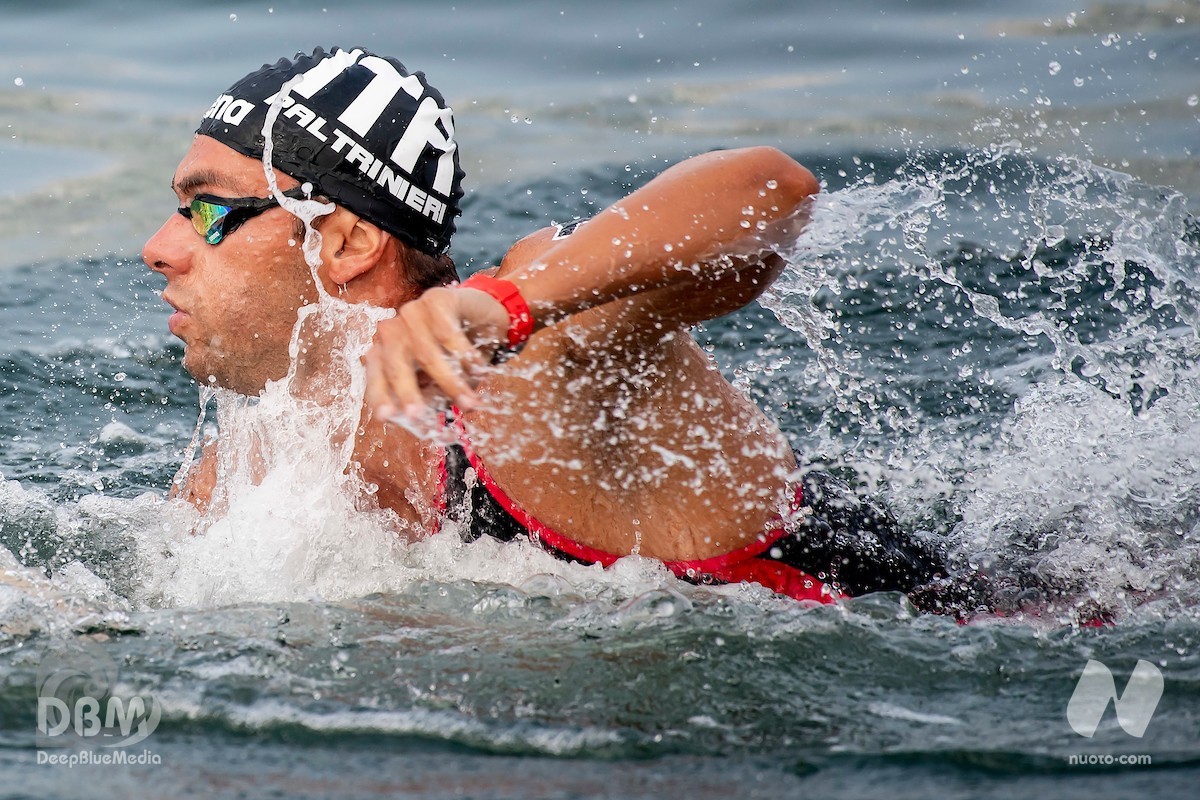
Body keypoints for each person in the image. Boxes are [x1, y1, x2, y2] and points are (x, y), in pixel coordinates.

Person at [143, 47, 943, 606]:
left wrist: (511, 307)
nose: (159, 249)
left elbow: (770, 189)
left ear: (345, 241)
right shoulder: (242, 479)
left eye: (206, 210)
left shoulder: (529, 360)